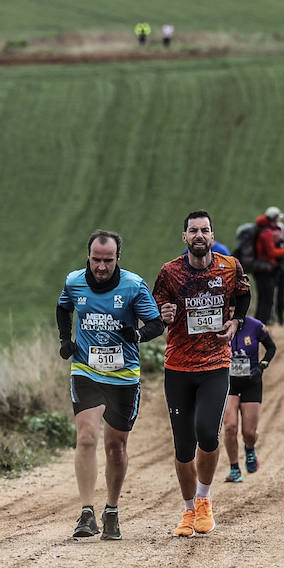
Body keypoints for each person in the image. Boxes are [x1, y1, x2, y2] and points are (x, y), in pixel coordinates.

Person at [57, 230, 164, 540]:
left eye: (107, 261)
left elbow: (156, 323)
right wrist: (66, 340)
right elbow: (63, 307)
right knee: (87, 436)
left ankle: (112, 510)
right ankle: (86, 512)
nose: (101, 267)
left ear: (118, 258)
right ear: (87, 257)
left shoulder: (133, 286)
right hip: (86, 369)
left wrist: (139, 335)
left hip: (122, 375)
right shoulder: (74, 281)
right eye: (95, 260)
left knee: (115, 447)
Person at [154, 211, 252, 537]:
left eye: (204, 230)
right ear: (184, 237)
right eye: (193, 230)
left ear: (212, 235)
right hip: (178, 366)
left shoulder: (229, 267)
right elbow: (157, 309)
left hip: (215, 365)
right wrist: (163, 313)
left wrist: (236, 321)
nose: (199, 235)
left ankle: (204, 500)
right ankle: (187, 510)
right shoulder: (169, 273)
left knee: (207, 432)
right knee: (183, 445)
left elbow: (244, 293)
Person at [223, 315, 276, 483]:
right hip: (229, 384)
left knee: (249, 432)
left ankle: (250, 448)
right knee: (230, 427)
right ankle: (234, 469)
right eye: (228, 308)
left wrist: (262, 366)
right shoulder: (220, 324)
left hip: (251, 383)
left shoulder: (255, 326)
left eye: (234, 308)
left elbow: (271, 348)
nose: (231, 312)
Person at [251, 213, 284, 323]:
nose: (278, 223)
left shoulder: (260, 231)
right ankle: (263, 324)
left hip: (259, 269)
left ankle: (258, 323)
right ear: (271, 222)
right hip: (265, 270)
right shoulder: (266, 233)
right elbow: (271, 252)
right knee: (267, 298)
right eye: (277, 221)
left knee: (262, 298)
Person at [266, 206, 284, 325]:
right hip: (271, 270)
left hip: (283, 271)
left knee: (281, 296)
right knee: (271, 294)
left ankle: (280, 317)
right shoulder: (268, 233)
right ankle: (271, 316)